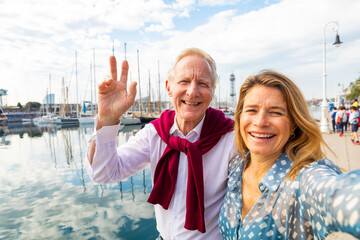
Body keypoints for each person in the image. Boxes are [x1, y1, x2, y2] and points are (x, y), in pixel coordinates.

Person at [86, 48, 237, 239]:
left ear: (212, 91)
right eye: (184, 81)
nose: (192, 91)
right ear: (169, 88)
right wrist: (107, 118)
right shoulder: (155, 134)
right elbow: (104, 174)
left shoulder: (231, 138)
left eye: (203, 83)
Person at [218, 70, 360, 239]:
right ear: (240, 117)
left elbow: (336, 193)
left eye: (276, 112)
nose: (260, 122)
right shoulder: (235, 167)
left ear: (294, 125)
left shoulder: (302, 181)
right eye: (251, 110)